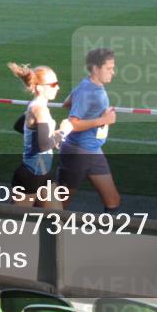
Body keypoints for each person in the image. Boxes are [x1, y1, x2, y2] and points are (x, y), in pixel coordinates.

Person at [58, 47, 120, 212]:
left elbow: (66, 103)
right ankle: (33, 223)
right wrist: (103, 120)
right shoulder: (89, 91)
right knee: (59, 203)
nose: (113, 72)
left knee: (113, 200)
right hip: (78, 152)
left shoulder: (87, 85)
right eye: (109, 68)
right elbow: (72, 124)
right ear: (95, 68)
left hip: (93, 150)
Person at [8, 62, 68, 209]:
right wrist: (62, 131)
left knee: (57, 219)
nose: (58, 87)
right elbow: (44, 146)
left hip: (44, 174)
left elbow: (19, 126)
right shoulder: (40, 110)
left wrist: (51, 135)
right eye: (53, 84)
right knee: (16, 222)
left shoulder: (35, 105)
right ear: (40, 87)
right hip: (30, 176)